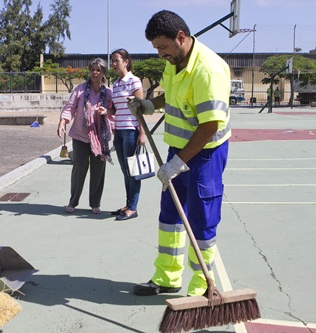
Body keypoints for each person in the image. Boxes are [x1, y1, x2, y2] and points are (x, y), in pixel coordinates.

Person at [127, 10, 231, 297]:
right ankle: (167, 277)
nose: (161, 53)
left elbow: (210, 125)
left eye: (163, 47)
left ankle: (201, 286)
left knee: (201, 218)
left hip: (205, 155)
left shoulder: (208, 69)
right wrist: (150, 105)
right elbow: (172, 97)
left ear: (181, 37)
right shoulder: (174, 61)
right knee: (170, 217)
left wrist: (179, 162)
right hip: (178, 151)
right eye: (156, 48)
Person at [57, 58, 113, 215]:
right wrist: (63, 121)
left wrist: (109, 119)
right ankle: (73, 201)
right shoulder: (80, 90)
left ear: (103, 73)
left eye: (98, 70)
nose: (94, 72)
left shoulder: (108, 93)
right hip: (81, 135)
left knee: (98, 170)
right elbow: (70, 107)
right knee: (79, 169)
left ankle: (95, 203)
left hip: (100, 138)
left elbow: (113, 112)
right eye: (92, 69)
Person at [108, 48, 145, 221]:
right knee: (125, 171)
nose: (113, 64)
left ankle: (133, 208)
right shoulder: (116, 84)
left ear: (126, 61)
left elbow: (140, 109)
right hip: (119, 131)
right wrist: (106, 110)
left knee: (133, 171)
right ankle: (128, 204)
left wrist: (142, 134)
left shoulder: (134, 81)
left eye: (116, 60)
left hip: (131, 131)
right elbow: (115, 109)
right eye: (112, 61)